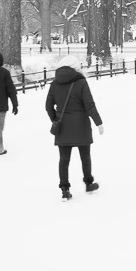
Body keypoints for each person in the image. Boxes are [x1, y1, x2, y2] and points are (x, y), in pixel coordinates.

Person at [46, 56, 103, 200]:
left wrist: (55, 119)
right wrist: (98, 122)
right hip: (81, 124)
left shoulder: (55, 83)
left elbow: (48, 105)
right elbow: (89, 104)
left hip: (63, 125)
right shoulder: (81, 82)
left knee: (64, 159)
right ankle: (88, 183)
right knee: (85, 157)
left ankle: (65, 189)